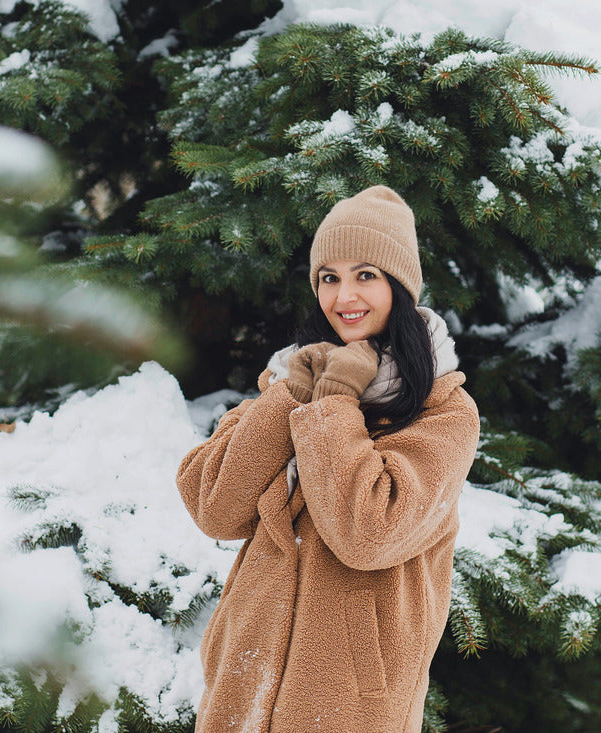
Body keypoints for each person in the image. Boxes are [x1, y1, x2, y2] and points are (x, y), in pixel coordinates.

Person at [176, 185, 480, 733]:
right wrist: (293, 396)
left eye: (366, 275)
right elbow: (215, 508)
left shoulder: (444, 414)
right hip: (243, 689)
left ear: (401, 286)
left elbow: (369, 532)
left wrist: (337, 402)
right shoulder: (293, 380)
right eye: (328, 278)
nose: (344, 296)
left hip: (350, 708)